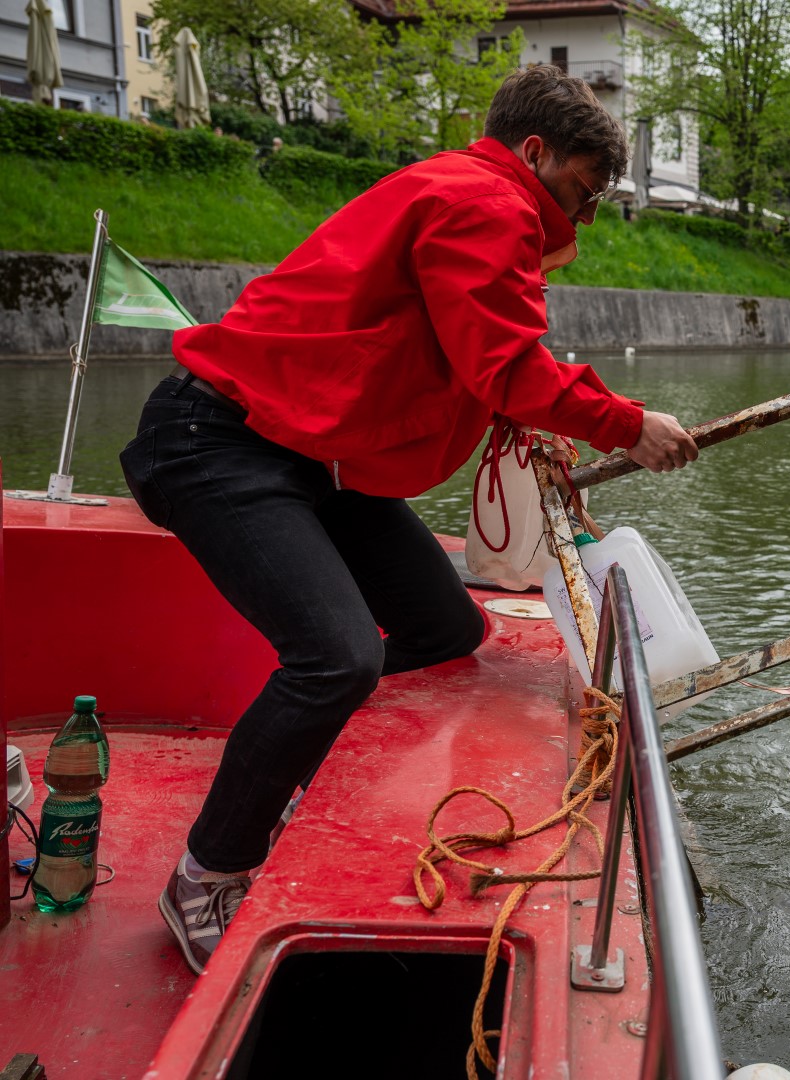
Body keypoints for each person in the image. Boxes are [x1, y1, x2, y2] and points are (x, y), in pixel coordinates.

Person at [118, 65, 699, 975]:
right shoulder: (486, 204)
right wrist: (629, 424)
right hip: (221, 438)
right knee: (336, 656)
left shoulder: (456, 191)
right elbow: (506, 362)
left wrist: (529, 414)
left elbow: (463, 356)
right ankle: (206, 873)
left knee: (442, 625)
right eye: (582, 194)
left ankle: (292, 746)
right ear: (534, 153)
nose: (581, 221)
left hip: (309, 453)